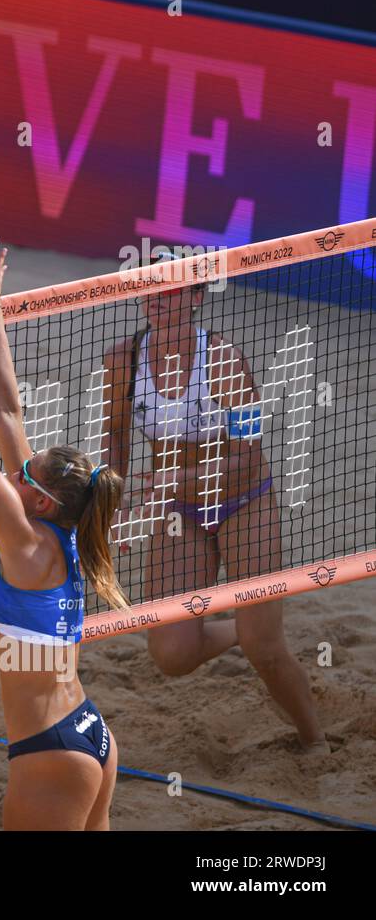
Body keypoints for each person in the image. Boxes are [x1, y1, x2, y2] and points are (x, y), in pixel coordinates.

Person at [0, 239, 127, 829]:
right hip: (90, 733)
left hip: (52, 753)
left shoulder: (23, 538)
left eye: (22, 474)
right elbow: (7, 413)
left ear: (38, 499)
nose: (13, 471)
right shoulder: (61, 531)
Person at [102, 260, 327, 753]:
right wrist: (112, 501)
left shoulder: (224, 359)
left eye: (173, 295)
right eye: (153, 296)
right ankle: (242, 627)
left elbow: (248, 458)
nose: (160, 305)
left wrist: (179, 477)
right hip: (180, 511)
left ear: (197, 298)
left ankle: (314, 740)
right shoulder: (122, 361)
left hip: (244, 502)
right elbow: (115, 438)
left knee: (266, 651)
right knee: (173, 656)